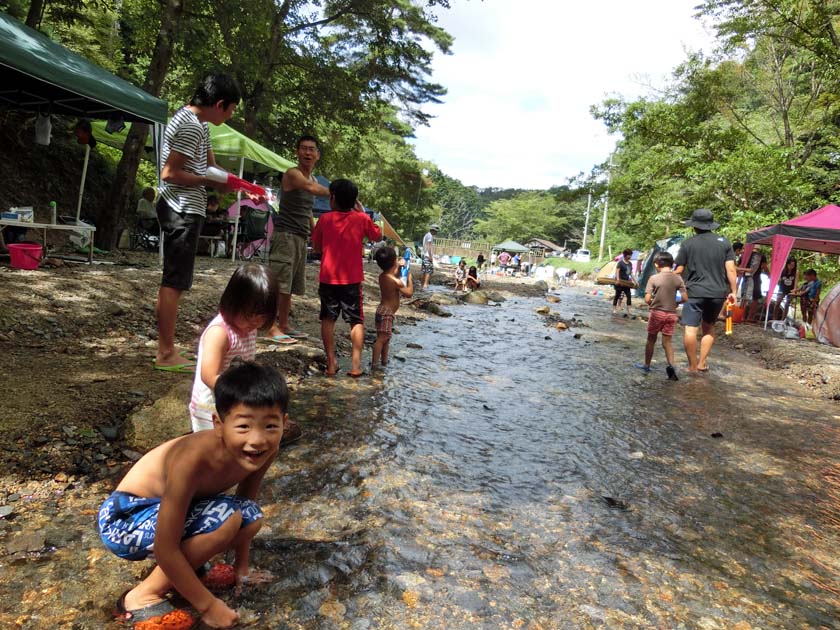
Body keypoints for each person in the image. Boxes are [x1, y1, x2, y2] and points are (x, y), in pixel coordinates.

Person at [98, 361, 288, 629]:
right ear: (218, 424)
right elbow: (166, 546)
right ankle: (140, 596)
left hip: (163, 514)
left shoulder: (265, 450)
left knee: (250, 516)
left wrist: (242, 570)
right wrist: (209, 606)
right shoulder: (192, 459)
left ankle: (189, 575)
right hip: (125, 518)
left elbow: (246, 502)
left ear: (284, 423)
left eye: (270, 426)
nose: (257, 440)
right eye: (243, 426)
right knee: (228, 518)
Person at [154, 72, 245, 370]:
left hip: (189, 208)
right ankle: (165, 353)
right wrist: (208, 180)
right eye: (231, 109)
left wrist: (241, 186)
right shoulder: (190, 126)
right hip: (179, 207)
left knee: (177, 281)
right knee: (173, 282)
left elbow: (210, 167)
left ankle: (168, 348)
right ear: (219, 104)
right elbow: (169, 174)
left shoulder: (200, 125)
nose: (230, 115)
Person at [189, 265, 298, 443]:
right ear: (232, 303)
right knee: (215, 454)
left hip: (235, 405)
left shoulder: (248, 328)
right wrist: (239, 391)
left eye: (261, 318)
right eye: (249, 316)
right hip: (210, 409)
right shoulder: (220, 333)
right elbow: (208, 375)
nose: (254, 323)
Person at [311, 178, 382, 377]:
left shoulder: (324, 219)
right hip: (351, 279)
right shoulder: (361, 219)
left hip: (327, 278)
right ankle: (356, 366)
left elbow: (316, 247)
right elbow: (377, 237)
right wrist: (362, 213)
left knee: (327, 318)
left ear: (332, 198)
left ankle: (332, 363)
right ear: (354, 201)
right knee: (355, 320)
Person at [266, 135, 331, 345]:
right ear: (297, 152)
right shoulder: (293, 174)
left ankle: (284, 324)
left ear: (317, 155)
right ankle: (271, 327)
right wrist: (340, 193)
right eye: (303, 148)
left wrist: (315, 235)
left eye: (312, 149)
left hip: (300, 237)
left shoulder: (313, 179)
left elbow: (308, 209)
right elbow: (311, 190)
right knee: (279, 284)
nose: (307, 153)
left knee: (291, 285)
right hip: (285, 234)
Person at [674, 208, 737, 373]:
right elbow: (731, 270)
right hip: (717, 293)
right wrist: (734, 291)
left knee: (690, 329)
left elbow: (679, 269)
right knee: (709, 327)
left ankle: (692, 366)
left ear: (694, 226)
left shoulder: (688, 244)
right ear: (710, 225)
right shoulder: (725, 242)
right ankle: (702, 363)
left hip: (694, 292)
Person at [636, 251, 687, 380]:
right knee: (668, 342)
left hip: (657, 313)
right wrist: (676, 302)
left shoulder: (654, 278)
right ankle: (671, 365)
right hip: (671, 315)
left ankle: (646, 365)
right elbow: (685, 298)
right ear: (672, 264)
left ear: (656, 265)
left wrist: (652, 301)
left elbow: (647, 299)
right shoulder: (678, 278)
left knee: (651, 339)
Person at [372, 246, 414, 370]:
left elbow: (392, 274)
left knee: (386, 338)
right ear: (394, 262)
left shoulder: (383, 276)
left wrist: (399, 267)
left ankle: (384, 362)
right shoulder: (395, 281)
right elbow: (409, 293)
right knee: (382, 339)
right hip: (387, 313)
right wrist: (409, 278)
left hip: (382, 311)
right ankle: (375, 364)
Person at [612, 249, 635, 315]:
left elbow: (631, 273)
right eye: (629, 255)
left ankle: (629, 310)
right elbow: (617, 272)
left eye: (630, 255)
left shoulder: (630, 263)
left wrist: (635, 281)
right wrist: (618, 280)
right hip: (620, 282)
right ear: (625, 255)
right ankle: (614, 308)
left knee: (629, 295)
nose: (630, 256)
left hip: (626, 283)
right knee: (617, 295)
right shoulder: (620, 263)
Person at [421, 224, 438, 289]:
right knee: (428, 271)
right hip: (427, 256)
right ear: (433, 230)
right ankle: (425, 285)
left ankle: (422, 285)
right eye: (436, 231)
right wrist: (430, 256)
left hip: (425, 255)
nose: (436, 233)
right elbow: (428, 246)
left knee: (424, 271)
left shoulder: (427, 235)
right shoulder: (430, 236)